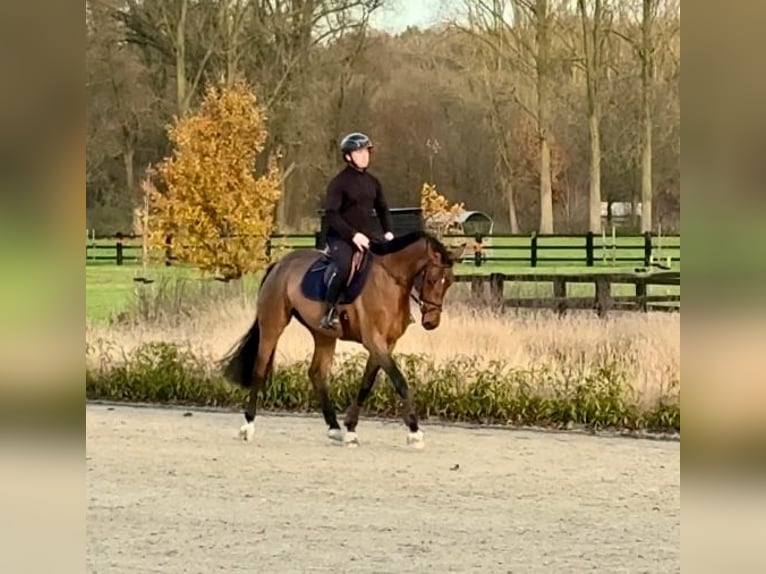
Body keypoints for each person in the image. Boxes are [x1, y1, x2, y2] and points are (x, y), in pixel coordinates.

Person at [319, 132, 394, 329]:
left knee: (393, 261)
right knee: (344, 267)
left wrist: (388, 232)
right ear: (348, 157)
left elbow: (383, 209)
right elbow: (332, 214)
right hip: (341, 237)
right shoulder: (339, 183)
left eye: (366, 151)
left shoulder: (373, 182)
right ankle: (329, 312)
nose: (364, 156)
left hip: (368, 235)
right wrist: (353, 235)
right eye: (359, 152)